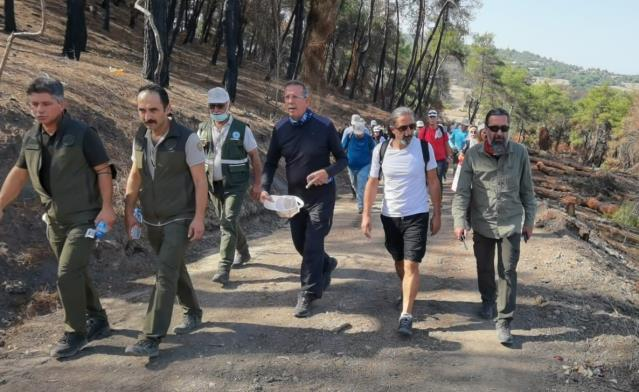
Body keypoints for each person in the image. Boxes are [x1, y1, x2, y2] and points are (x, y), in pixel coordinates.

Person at [0, 76, 116, 358]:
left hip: (85, 218)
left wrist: (108, 208)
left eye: (46, 104)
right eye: (34, 104)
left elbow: (104, 170)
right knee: (75, 271)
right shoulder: (31, 136)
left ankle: (75, 332)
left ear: (61, 104)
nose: (39, 109)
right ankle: (98, 319)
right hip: (54, 219)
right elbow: (19, 174)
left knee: (66, 274)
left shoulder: (82, 133)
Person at [124, 84, 207, 357]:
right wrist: (129, 212)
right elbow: (135, 174)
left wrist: (198, 218)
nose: (147, 115)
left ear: (168, 109)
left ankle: (151, 336)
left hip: (180, 217)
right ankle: (193, 311)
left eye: (153, 110)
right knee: (172, 266)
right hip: (152, 219)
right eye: (142, 110)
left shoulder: (187, 139)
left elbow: (200, 181)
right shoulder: (140, 136)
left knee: (163, 272)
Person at [261, 80, 347, 318]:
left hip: (321, 197)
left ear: (307, 101)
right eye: (286, 97)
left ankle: (308, 293)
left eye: (294, 97)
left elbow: (342, 159)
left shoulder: (325, 125)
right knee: (300, 243)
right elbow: (270, 162)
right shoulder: (280, 129)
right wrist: (265, 187)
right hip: (294, 198)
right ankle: (326, 264)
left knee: (312, 244)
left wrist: (326, 173)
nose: (289, 101)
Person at [451, 108, 536, 346]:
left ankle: (504, 320)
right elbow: (462, 194)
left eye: (504, 128)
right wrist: (460, 221)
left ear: (509, 129)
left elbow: (528, 191)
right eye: (495, 128)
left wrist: (529, 221)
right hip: (483, 223)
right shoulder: (473, 155)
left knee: (507, 271)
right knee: (485, 267)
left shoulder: (520, 153)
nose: (499, 133)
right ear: (485, 130)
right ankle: (488, 299)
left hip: (511, 224)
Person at [361, 106, 442, 337]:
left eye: (411, 127)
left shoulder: (424, 149)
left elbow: (433, 182)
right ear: (392, 129)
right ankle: (407, 289)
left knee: (411, 264)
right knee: (399, 261)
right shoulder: (381, 150)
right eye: (403, 128)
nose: (409, 132)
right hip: (390, 216)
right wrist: (366, 214)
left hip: (417, 214)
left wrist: (437, 213)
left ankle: (406, 315)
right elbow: (373, 182)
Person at [198, 87, 263, 285]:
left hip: (236, 185)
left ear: (229, 105)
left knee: (226, 222)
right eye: (212, 106)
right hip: (213, 185)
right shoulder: (202, 128)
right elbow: (196, 159)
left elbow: (255, 159)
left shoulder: (242, 129)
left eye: (220, 105)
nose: (216, 109)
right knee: (228, 221)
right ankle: (244, 252)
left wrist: (258, 184)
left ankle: (223, 268)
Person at [341, 120, 375, 214]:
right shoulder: (349, 136)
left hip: (364, 165)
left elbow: (374, 149)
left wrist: (375, 163)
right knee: (354, 184)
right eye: (357, 133)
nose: (359, 135)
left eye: (360, 134)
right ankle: (361, 200)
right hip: (351, 166)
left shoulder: (368, 138)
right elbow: (342, 147)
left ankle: (361, 206)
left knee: (361, 186)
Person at [417, 109, 453, 189]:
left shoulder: (442, 130)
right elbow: (419, 145)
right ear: (428, 118)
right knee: (427, 179)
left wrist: (449, 156)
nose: (432, 119)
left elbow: (446, 143)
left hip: (440, 160)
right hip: (427, 159)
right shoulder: (424, 130)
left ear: (437, 118)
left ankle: (438, 200)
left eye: (434, 117)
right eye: (430, 117)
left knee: (438, 179)